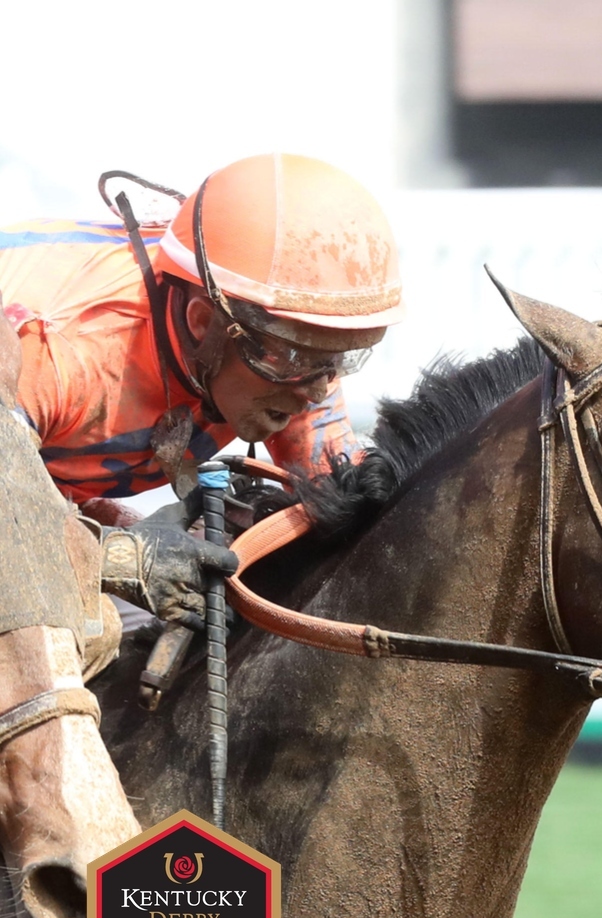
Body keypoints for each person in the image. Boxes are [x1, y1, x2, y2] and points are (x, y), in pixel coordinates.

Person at [0, 152, 403, 740]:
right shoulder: (61, 352)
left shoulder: (272, 349)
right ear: (200, 322)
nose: (316, 390)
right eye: (296, 356)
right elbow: (14, 533)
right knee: (88, 633)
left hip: (31, 488)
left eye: (336, 359)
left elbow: (344, 487)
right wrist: (120, 556)